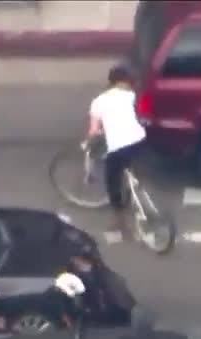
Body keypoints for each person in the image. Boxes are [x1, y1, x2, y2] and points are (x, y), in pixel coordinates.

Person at [86, 64, 147, 234]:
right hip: (139, 140)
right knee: (128, 164)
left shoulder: (98, 102)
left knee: (112, 181)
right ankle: (133, 181)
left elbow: (93, 130)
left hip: (118, 146)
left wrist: (90, 142)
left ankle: (119, 219)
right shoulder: (131, 95)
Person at [69, 250, 134, 326]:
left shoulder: (102, 272)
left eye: (78, 260)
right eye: (76, 262)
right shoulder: (80, 278)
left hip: (115, 311)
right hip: (100, 314)